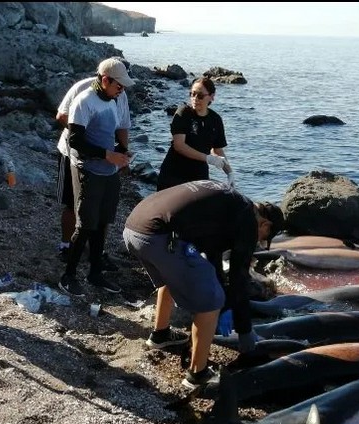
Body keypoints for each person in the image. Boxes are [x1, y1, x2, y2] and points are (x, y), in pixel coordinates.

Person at [122, 180, 284, 389]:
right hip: (157, 238)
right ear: (265, 225)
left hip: (134, 227)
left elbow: (213, 256)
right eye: (263, 239)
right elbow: (239, 277)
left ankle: (160, 335)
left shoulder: (229, 201)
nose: (259, 242)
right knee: (211, 301)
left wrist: (227, 305)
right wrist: (244, 330)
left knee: (177, 275)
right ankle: (197, 374)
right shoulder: (247, 220)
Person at [58, 58, 135, 297]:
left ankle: (95, 272)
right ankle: (68, 275)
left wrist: (121, 152)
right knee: (85, 224)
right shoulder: (84, 101)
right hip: (87, 170)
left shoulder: (113, 99)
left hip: (108, 170)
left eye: (123, 86)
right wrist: (107, 155)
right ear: (105, 80)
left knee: (103, 221)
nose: (121, 90)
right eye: (118, 85)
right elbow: (76, 141)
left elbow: (109, 133)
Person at [156, 77, 233, 191]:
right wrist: (208, 158)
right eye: (192, 94)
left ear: (211, 97)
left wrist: (229, 172)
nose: (195, 99)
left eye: (200, 95)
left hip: (199, 176)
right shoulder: (183, 113)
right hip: (174, 174)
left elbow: (218, 151)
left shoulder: (215, 120)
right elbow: (179, 146)